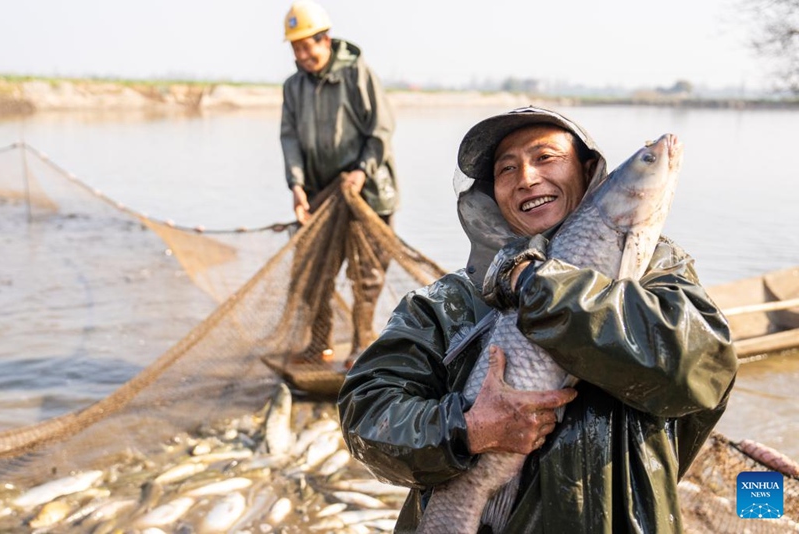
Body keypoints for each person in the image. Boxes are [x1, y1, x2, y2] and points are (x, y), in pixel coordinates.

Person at [337, 106, 739, 532]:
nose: (527, 177)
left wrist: (535, 283)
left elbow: (702, 372)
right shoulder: (444, 303)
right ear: (491, 194)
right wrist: (468, 428)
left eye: (546, 158)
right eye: (507, 169)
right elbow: (366, 414)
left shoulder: (657, 272)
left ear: (588, 172)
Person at [280, 0, 398, 364]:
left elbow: (380, 129)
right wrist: (297, 186)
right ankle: (319, 345)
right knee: (311, 271)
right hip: (320, 197)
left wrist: (362, 171)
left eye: (308, 45)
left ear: (326, 39)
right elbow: (290, 139)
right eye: (296, 48)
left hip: (368, 194)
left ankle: (363, 346)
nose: (303, 55)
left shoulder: (356, 74)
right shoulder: (294, 87)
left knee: (366, 276)